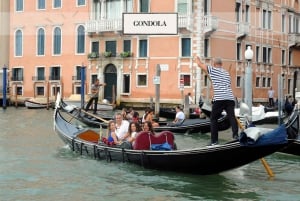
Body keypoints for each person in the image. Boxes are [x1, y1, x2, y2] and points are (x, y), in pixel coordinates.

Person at [196, 56, 238, 145]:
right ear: (221, 64)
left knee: (213, 119)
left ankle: (214, 141)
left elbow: (200, 65)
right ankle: (235, 135)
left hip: (220, 99)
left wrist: (197, 60)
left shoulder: (213, 70)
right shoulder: (226, 73)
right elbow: (226, 86)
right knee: (232, 117)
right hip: (230, 98)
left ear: (214, 64)